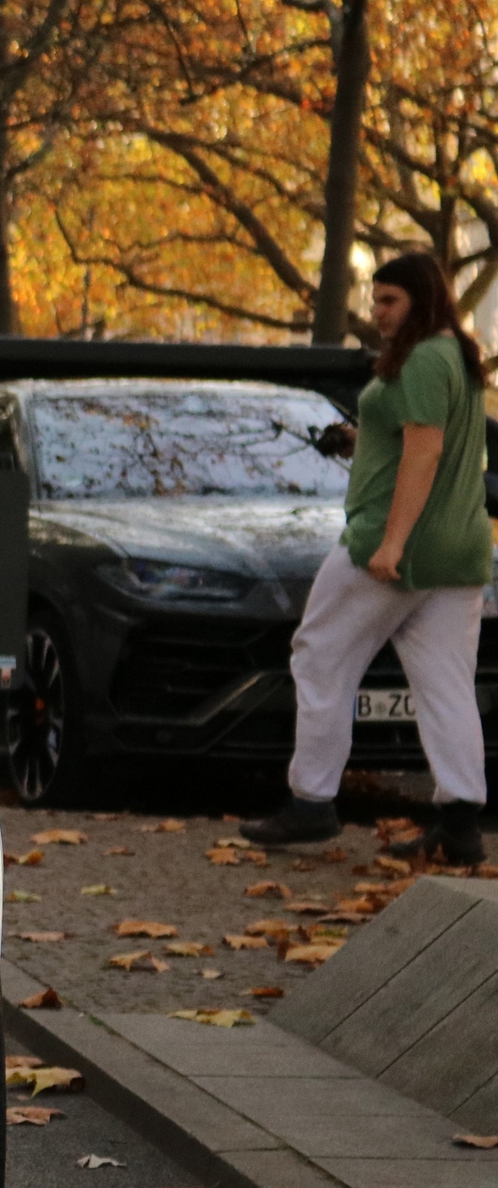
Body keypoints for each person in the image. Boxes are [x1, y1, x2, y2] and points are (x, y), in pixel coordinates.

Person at [245, 253, 492, 863]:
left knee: (319, 655)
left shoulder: (424, 358)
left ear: (423, 299)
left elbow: (425, 453)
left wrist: (392, 543)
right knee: (446, 685)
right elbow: (420, 436)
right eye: (376, 300)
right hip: (460, 549)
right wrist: (360, 439)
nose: (378, 313)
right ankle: (461, 823)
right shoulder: (456, 356)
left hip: (393, 545)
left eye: (390, 301)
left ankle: (310, 802)